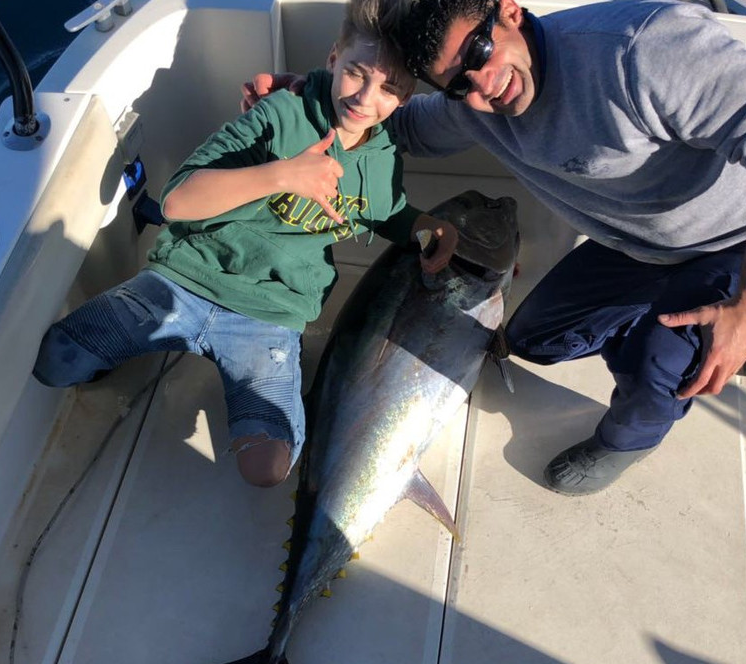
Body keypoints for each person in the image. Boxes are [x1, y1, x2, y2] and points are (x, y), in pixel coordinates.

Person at [243, 0, 746, 495]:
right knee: (533, 341)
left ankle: (632, 435)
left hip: (739, 241)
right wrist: (302, 99)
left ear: (509, 11)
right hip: (635, 251)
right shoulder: (473, 106)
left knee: (657, 365)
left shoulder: (642, 49)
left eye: (479, 52)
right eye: (456, 84)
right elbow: (397, 126)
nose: (482, 88)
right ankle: (705, 326)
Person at [33, 0, 458, 488]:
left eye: (389, 89)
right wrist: (282, 175)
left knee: (267, 470)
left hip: (268, 314)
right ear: (334, 56)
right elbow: (176, 203)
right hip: (184, 279)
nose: (365, 97)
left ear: (405, 99)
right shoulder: (281, 111)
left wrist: (424, 224)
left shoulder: (383, 157)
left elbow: (385, 212)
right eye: (356, 73)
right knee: (54, 363)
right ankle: (120, 349)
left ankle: (273, 366)